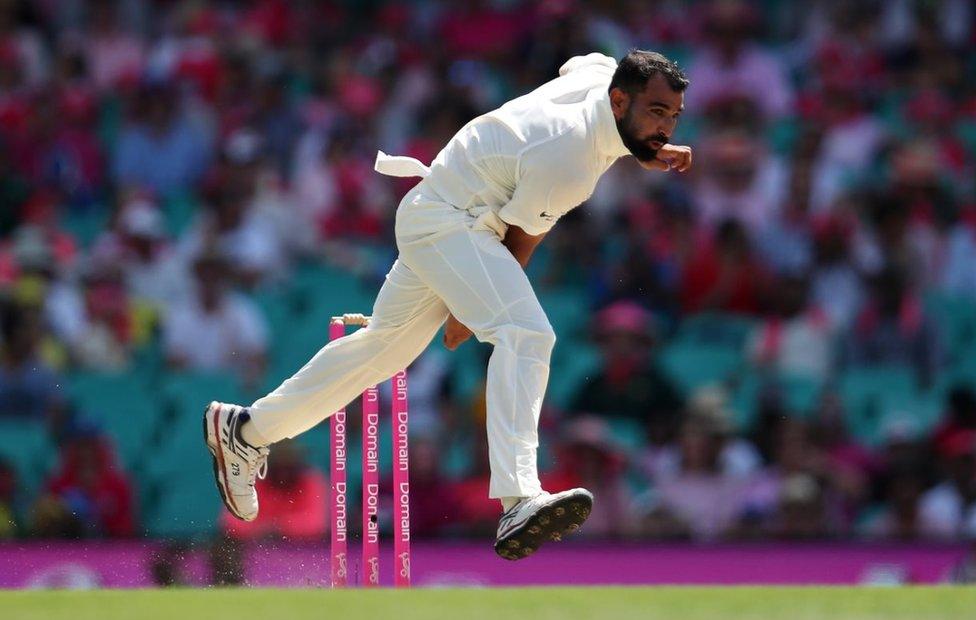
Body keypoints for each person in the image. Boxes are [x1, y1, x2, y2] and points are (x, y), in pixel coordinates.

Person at [204, 50, 693, 560]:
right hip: (452, 224)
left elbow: (580, 61)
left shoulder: (602, 78)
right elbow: (522, 238)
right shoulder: (568, 158)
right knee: (526, 333)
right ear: (619, 101)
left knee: (380, 352)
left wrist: (646, 147)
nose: (665, 125)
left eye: (672, 116)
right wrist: (466, 307)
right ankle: (519, 497)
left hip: (439, 210)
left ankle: (246, 429)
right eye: (656, 112)